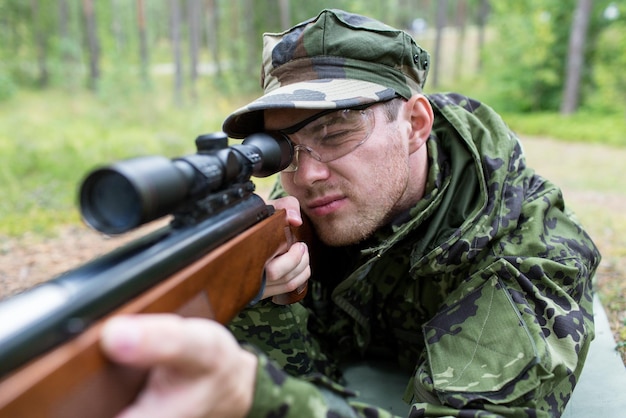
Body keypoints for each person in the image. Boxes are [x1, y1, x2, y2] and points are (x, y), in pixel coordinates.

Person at [100, 9, 601, 418]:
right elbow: (311, 365)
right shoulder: (296, 211)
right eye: (284, 148)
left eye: (337, 132)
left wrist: (256, 399)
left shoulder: (528, 254)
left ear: (416, 124)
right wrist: (266, 303)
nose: (308, 174)